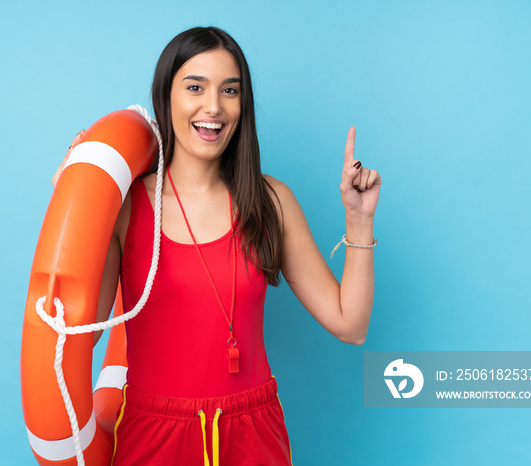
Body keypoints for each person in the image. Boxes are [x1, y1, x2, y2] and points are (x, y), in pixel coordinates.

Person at [53, 26, 380, 466]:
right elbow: (81, 334)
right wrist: (73, 209)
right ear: (165, 97)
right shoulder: (128, 208)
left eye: (230, 90)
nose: (213, 107)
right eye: (195, 87)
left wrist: (359, 220)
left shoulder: (271, 201)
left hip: (252, 433)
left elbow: (350, 324)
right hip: (154, 433)